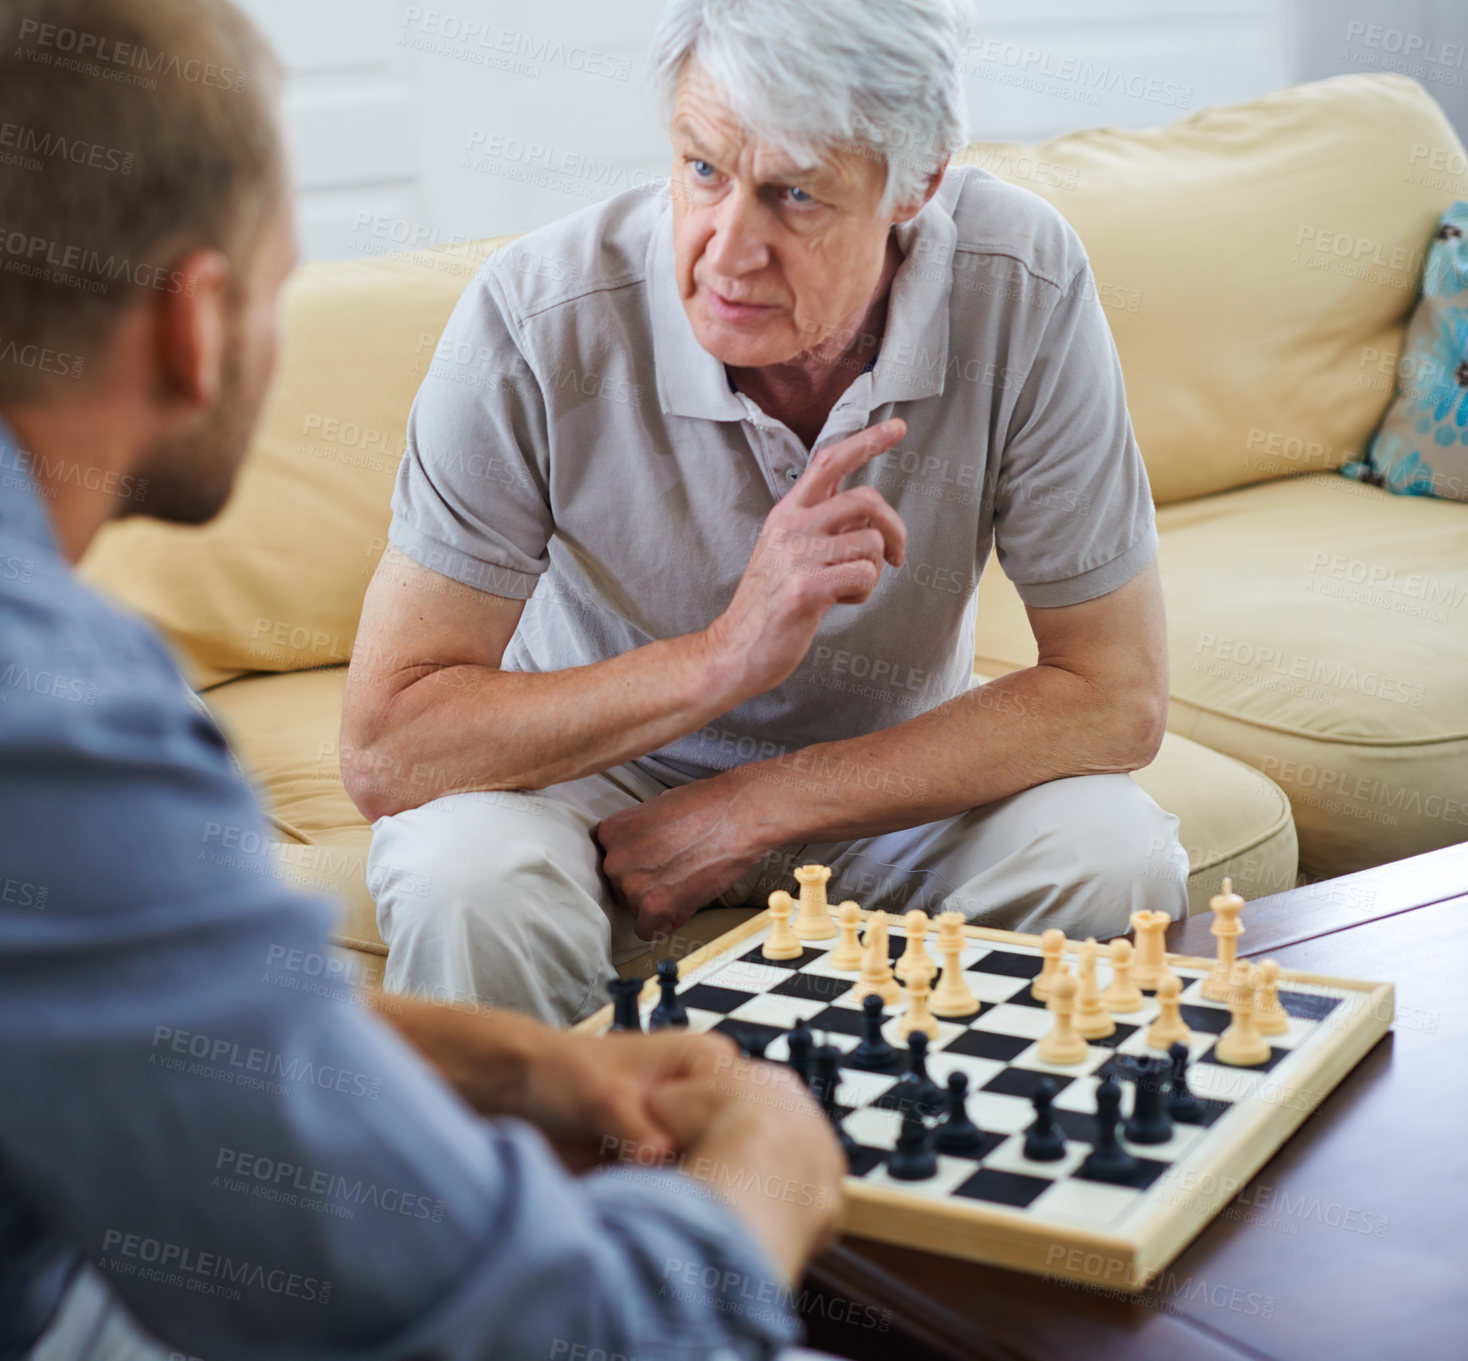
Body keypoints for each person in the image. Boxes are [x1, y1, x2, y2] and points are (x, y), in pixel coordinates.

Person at [0, 2, 842, 1358]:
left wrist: (517, 1059)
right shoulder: (59, 722)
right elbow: (564, 1338)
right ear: (198, 324)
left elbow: (130, 1026)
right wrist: (770, 1162)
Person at [343, 0, 1190, 1025]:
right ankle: (549, 1186)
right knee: (462, 876)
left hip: (886, 785)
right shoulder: (534, 317)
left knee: (1111, 854)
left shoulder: (1020, 281)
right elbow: (391, 745)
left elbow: (1114, 693)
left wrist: (754, 805)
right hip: (583, 791)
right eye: (703, 170)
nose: (727, 250)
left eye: (794, 194)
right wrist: (724, 655)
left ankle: (946, 1170)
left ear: (914, 185)